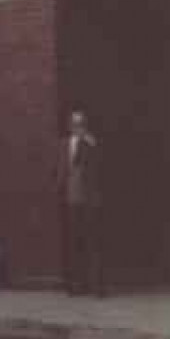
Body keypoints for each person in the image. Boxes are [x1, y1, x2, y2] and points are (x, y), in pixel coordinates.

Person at [58, 108, 105, 296]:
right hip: (70, 199)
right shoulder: (63, 145)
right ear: (69, 126)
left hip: (89, 199)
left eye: (81, 123)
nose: (78, 127)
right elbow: (59, 171)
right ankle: (76, 286)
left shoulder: (92, 143)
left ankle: (96, 287)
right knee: (73, 243)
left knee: (93, 243)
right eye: (75, 123)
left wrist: (90, 142)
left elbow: (99, 167)